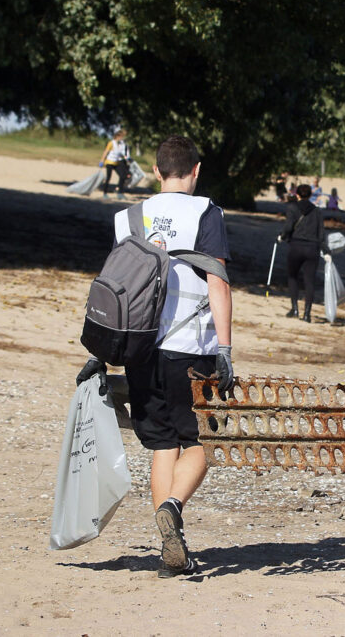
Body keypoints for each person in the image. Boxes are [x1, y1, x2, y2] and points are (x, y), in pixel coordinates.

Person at [76, 135, 234, 578]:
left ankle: (169, 544)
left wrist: (102, 354)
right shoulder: (208, 212)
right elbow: (219, 283)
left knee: (163, 443)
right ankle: (172, 507)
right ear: (197, 171)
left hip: (139, 346)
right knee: (206, 438)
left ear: (157, 169)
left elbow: (113, 285)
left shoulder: (127, 217)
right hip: (192, 347)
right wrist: (224, 349)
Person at [279, 184, 327, 322]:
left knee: (292, 276)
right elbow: (321, 233)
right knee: (309, 281)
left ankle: (294, 308)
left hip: (296, 246)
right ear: (311, 195)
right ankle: (307, 313)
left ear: (297, 195)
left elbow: (288, 227)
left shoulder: (292, 208)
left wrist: (282, 236)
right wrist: (325, 249)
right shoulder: (317, 211)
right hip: (312, 248)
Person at [99, 129, 132, 199]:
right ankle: (105, 193)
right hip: (110, 162)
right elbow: (106, 152)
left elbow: (121, 154)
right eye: (121, 136)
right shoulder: (111, 143)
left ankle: (119, 192)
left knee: (122, 176)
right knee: (108, 177)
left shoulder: (121, 144)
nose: (122, 138)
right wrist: (102, 160)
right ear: (118, 136)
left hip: (116, 163)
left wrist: (127, 158)